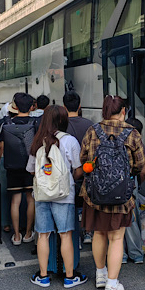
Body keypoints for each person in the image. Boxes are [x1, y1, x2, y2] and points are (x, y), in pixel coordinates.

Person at [80, 95, 145, 290]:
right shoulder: (132, 133)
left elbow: (83, 159)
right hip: (121, 196)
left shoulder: (92, 131)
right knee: (116, 238)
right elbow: (139, 164)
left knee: (99, 234)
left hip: (95, 194)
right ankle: (111, 285)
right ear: (123, 111)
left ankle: (100, 275)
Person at [26, 105, 87, 288]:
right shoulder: (69, 141)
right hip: (64, 195)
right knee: (65, 235)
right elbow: (78, 170)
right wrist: (68, 178)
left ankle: (43, 276)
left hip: (42, 195)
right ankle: (70, 277)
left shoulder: (38, 141)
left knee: (43, 235)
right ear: (63, 120)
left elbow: (31, 170)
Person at [0, 92, 36, 245]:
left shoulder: (5, 123)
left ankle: (17, 236)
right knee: (30, 199)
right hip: (30, 166)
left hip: (12, 166)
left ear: (15, 106)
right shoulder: (35, 123)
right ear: (31, 107)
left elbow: (0, 145)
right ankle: (28, 233)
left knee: (15, 200)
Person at [63, 90, 94, 247]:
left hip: (68, 174)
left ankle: (76, 238)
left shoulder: (61, 125)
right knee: (87, 204)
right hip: (88, 172)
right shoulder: (90, 125)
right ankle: (88, 232)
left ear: (64, 107)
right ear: (80, 106)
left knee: (71, 206)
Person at [122, 117, 145, 264]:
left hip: (114, 184)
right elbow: (143, 171)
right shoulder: (138, 143)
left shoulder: (115, 139)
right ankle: (136, 254)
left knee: (118, 221)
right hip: (131, 183)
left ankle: (121, 255)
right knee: (131, 219)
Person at [0, 101, 18, 233]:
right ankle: (22, 224)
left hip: (6, 159)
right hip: (23, 162)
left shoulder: (4, 124)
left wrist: (0, 159)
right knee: (21, 194)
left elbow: (1, 146)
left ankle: (6, 223)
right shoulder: (30, 123)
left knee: (4, 193)